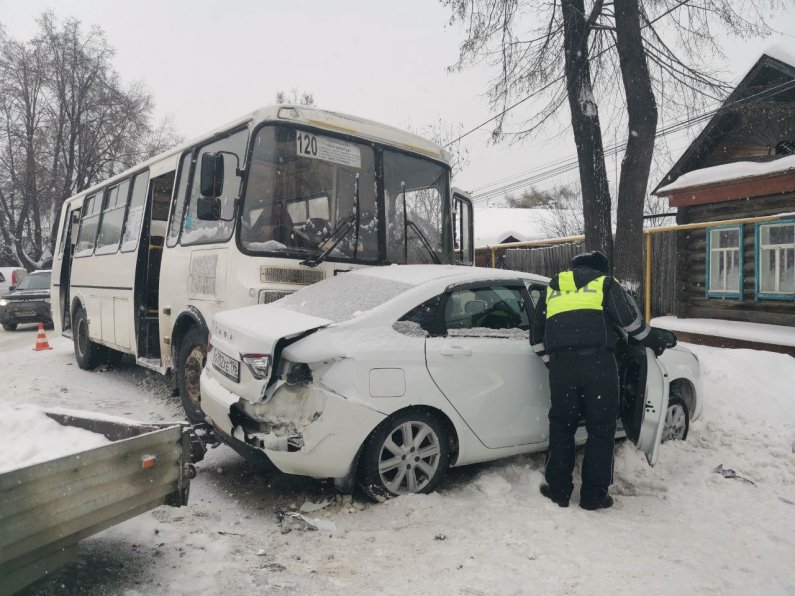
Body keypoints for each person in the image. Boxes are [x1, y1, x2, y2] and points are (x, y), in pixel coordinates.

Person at [530, 250, 668, 510]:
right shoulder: (605, 283)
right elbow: (630, 324)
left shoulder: (553, 286)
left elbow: (536, 339)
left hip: (561, 367)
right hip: (598, 364)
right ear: (601, 269)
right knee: (601, 429)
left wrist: (554, 364)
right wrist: (655, 339)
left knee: (562, 426)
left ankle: (558, 490)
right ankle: (594, 495)